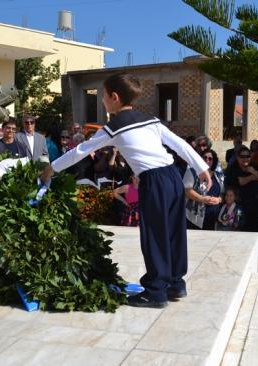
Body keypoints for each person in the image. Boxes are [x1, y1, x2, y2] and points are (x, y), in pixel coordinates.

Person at [40, 73, 211, 308]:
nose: (102, 100)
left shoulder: (113, 127)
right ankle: (175, 282)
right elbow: (179, 143)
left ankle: (155, 292)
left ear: (115, 97)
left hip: (154, 181)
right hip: (172, 176)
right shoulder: (149, 119)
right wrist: (202, 168)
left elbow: (80, 150)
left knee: (154, 235)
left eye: (103, 95)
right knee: (174, 230)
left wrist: (51, 168)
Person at [225, 146, 258, 236]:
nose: (245, 158)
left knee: (256, 234)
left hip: (256, 207)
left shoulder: (254, 167)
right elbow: (240, 181)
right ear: (237, 157)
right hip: (239, 208)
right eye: (242, 156)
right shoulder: (232, 169)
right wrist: (253, 177)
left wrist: (253, 171)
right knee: (241, 232)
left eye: (247, 156)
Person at [183, 149, 224, 230]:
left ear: (214, 161)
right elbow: (187, 190)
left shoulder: (219, 176)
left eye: (210, 158)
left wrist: (219, 199)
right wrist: (202, 199)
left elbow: (223, 193)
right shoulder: (191, 172)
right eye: (204, 157)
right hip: (193, 219)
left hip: (213, 219)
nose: (207, 160)